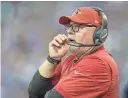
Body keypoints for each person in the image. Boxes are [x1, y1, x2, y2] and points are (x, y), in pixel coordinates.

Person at [28, 6, 119, 98]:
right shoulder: (70, 60)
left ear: (98, 34)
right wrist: (52, 58)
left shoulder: (98, 63)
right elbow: (35, 92)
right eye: (69, 26)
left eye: (78, 27)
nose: (70, 31)